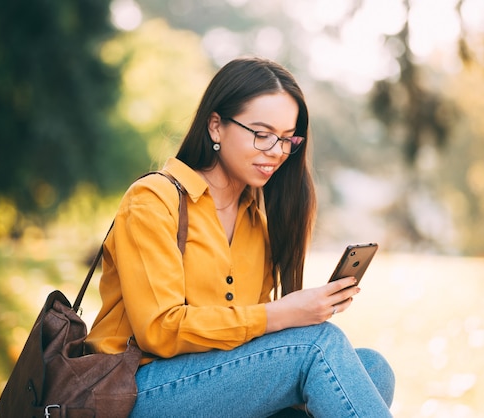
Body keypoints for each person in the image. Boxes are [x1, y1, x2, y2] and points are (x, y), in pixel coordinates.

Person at [85, 57, 395, 417]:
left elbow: (250, 343)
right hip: (135, 393)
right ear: (216, 126)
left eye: (285, 139)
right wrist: (280, 315)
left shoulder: (255, 224)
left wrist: (298, 316)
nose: (277, 151)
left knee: (372, 368)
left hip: (218, 385)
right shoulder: (154, 199)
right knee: (318, 346)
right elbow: (159, 330)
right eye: (262, 134)